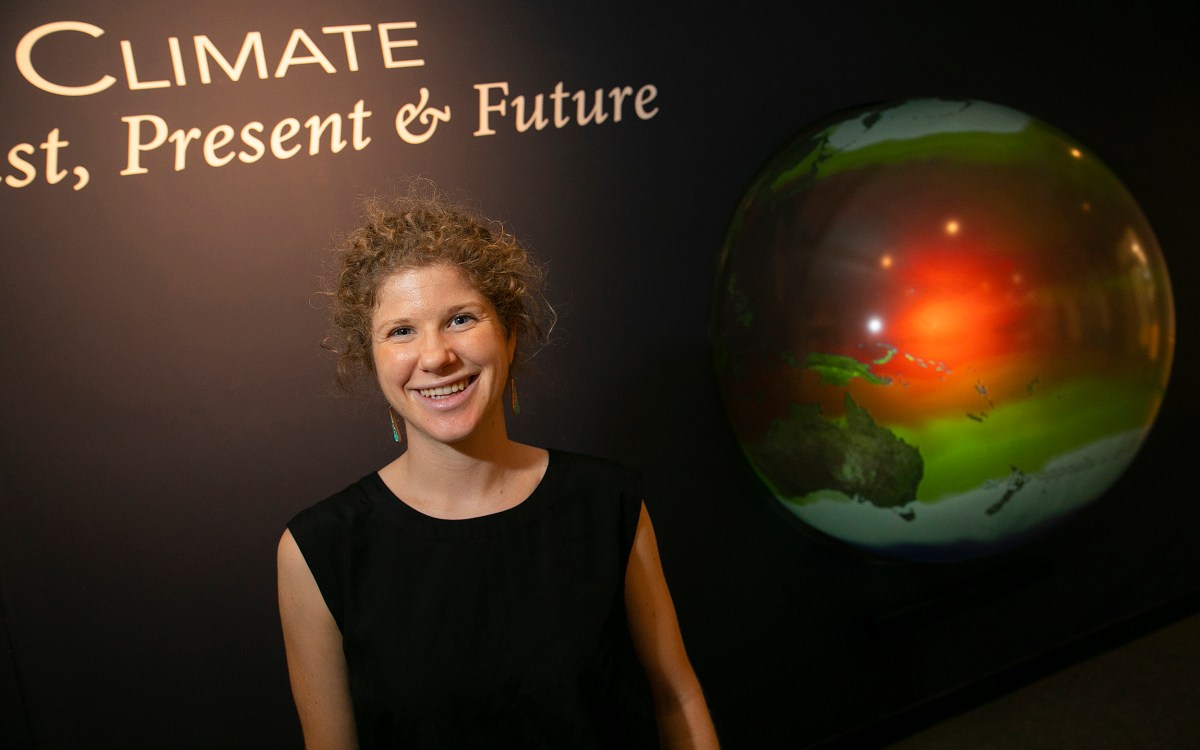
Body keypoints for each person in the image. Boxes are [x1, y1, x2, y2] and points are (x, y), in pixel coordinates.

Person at [277, 181, 719, 749]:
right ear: (373, 360)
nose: (436, 356)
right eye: (402, 331)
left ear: (510, 336)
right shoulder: (320, 550)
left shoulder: (607, 503)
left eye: (461, 319)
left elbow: (676, 699)